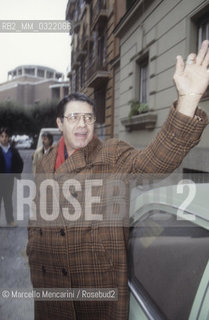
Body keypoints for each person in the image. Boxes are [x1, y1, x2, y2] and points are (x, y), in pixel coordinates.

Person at [27, 41, 209, 319]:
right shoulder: (43, 163)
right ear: (60, 123)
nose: (82, 124)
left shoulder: (111, 154)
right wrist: (33, 251)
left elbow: (153, 164)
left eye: (88, 117)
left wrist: (188, 101)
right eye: (73, 117)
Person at [0, 127, 23, 227]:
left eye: (6, 136)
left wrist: (16, 173)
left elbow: (20, 163)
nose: (4, 138)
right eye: (2, 136)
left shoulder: (13, 150)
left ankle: (10, 221)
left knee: (8, 200)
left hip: (9, 179)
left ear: (8, 137)